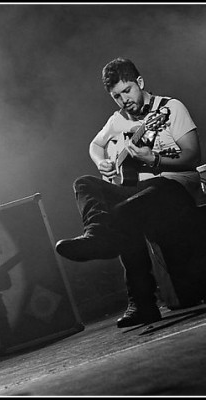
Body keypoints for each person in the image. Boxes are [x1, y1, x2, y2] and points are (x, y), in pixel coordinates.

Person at [55, 57, 206, 328]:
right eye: (116, 96)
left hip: (173, 186)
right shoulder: (118, 120)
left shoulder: (169, 108)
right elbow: (95, 145)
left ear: (140, 83)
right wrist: (101, 161)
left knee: (126, 211)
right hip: (138, 191)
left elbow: (193, 155)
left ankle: (142, 302)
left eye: (127, 91)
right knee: (84, 183)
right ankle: (97, 235)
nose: (124, 100)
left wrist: (154, 159)